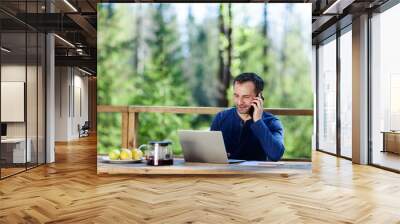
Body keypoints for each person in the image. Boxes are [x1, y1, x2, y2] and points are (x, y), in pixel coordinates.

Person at [210, 72, 285, 161]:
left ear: (259, 96)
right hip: (225, 173)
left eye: (246, 97)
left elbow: (276, 155)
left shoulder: (272, 122)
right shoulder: (221, 118)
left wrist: (258, 121)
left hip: (256, 174)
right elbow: (210, 152)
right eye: (236, 95)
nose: (239, 102)